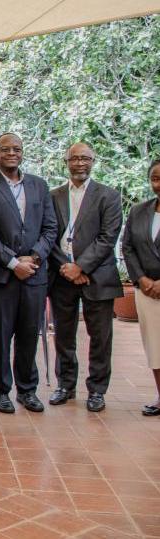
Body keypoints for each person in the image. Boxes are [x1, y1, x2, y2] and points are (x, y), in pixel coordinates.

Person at [0, 133, 58, 414]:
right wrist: (13, 263)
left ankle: (27, 390)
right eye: (5, 149)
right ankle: (0, 391)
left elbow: (50, 229)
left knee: (29, 334)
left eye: (17, 149)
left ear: (23, 153)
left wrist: (32, 259)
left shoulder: (39, 185)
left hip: (34, 274)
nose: (12, 153)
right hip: (1, 277)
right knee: (1, 335)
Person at [47, 143, 122, 412]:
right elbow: (48, 234)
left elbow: (107, 237)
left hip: (97, 277)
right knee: (64, 334)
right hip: (62, 275)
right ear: (65, 162)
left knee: (100, 336)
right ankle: (65, 385)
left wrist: (81, 267)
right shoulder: (53, 195)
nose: (80, 163)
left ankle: (97, 390)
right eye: (74, 158)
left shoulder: (109, 196)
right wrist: (66, 266)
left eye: (85, 158)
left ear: (93, 160)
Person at [121, 159, 160, 417]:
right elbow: (128, 247)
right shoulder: (139, 211)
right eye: (155, 178)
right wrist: (141, 279)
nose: (158, 183)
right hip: (147, 290)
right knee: (155, 345)